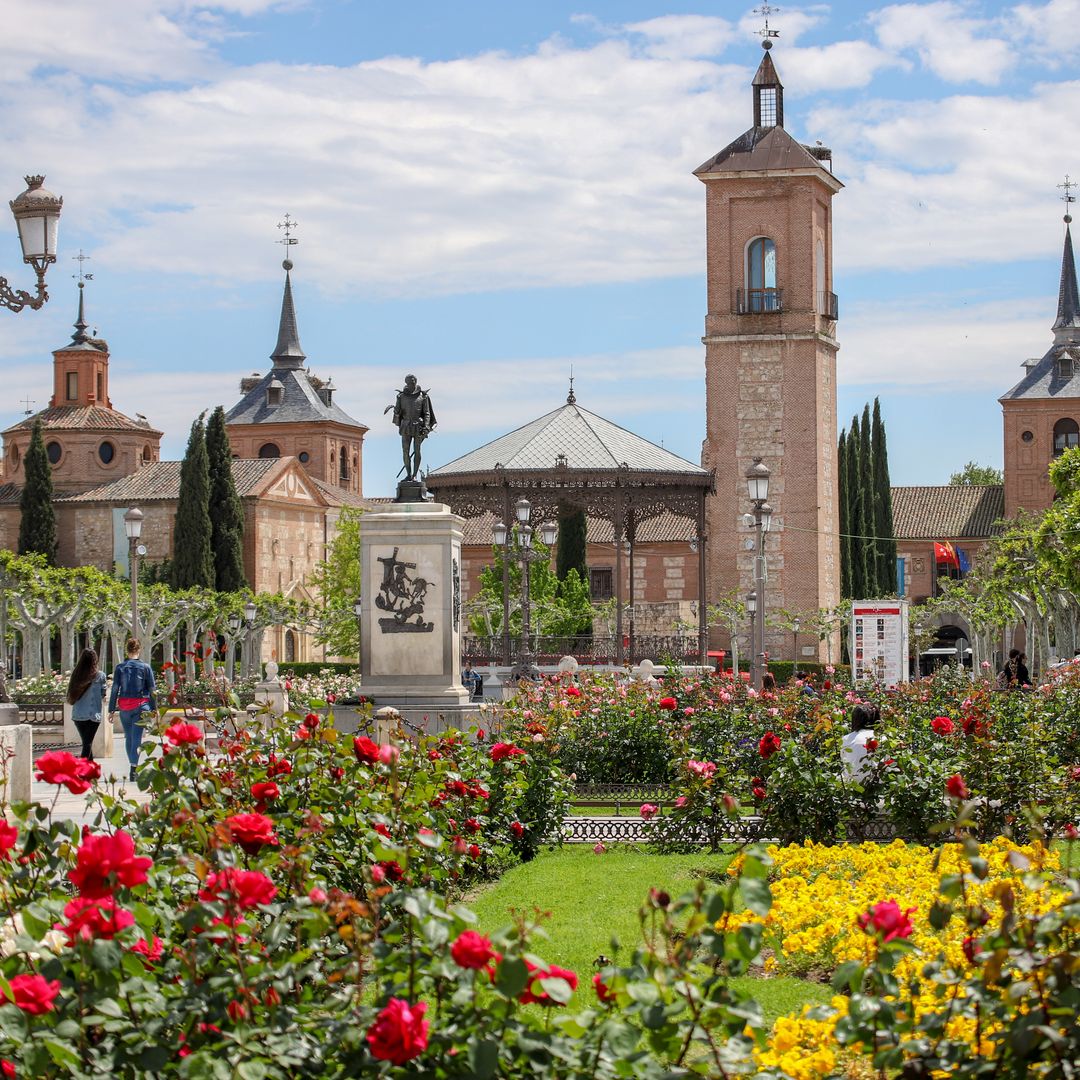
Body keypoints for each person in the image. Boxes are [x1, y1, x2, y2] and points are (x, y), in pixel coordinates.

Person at [108, 638, 156, 781]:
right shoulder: (146, 667)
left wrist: (111, 710)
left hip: (124, 707)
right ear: (139, 650)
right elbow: (152, 689)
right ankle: (133, 769)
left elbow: (115, 688)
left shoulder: (120, 668)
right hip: (141, 706)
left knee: (128, 737)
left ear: (126, 650)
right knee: (136, 737)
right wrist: (155, 708)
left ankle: (132, 766)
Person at [67, 648, 107, 762]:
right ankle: (82, 772)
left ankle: (91, 771)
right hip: (92, 716)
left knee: (87, 743)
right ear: (95, 660)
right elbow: (103, 693)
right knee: (87, 744)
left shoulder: (76, 674)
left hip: (78, 715)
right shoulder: (100, 676)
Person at [841, 702, 880, 785]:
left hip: (852, 785)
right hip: (877, 786)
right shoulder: (882, 739)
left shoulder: (846, 739)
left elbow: (844, 762)